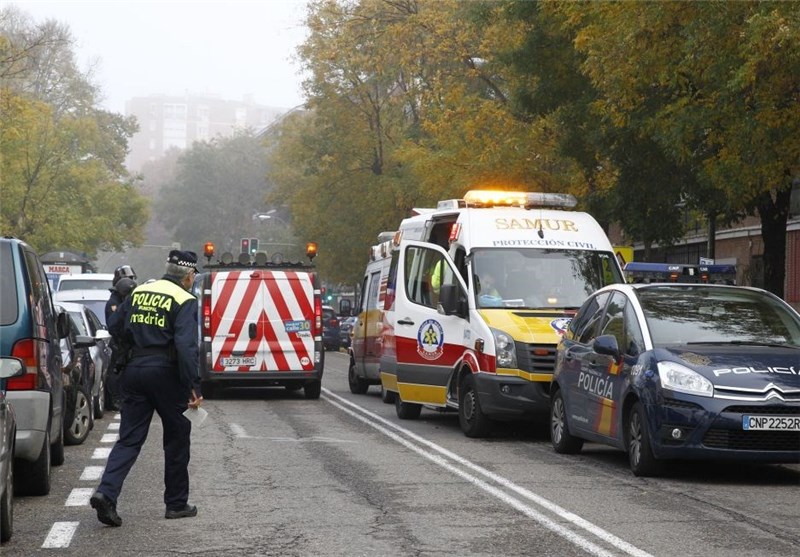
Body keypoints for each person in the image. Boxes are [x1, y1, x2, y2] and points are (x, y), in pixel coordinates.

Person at [90, 250, 203, 527]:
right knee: (177, 438)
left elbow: (115, 326)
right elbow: (186, 347)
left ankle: (106, 493)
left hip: (134, 371)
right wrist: (193, 385)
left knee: (129, 439)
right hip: (167, 374)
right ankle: (176, 504)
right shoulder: (185, 300)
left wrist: (132, 347)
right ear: (189, 276)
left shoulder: (141, 291)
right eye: (193, 276)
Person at [105, 276, 138, 411]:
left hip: (123, 343)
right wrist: (122, 339)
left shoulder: (119, 301)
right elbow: (114, 325)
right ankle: (115, 399)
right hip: (119, 343)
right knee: (116, 372)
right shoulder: (114, 304)